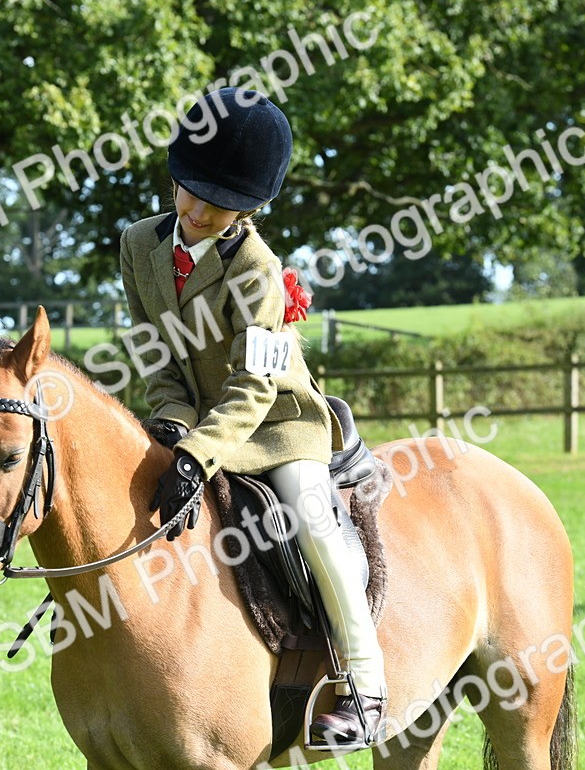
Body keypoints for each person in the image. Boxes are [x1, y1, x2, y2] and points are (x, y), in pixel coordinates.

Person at [119, 87, 387, 747]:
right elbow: (157, 358)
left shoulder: (259, 270)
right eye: (190, 193)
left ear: (253, 207)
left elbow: (251, 389)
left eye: (222, 205)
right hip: (198, 423)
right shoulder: (136, 246)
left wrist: (197, 455)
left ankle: (365, 687)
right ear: (174, 175)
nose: (200, 211)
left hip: (276, 424)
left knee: (313, 521)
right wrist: (176, 428)